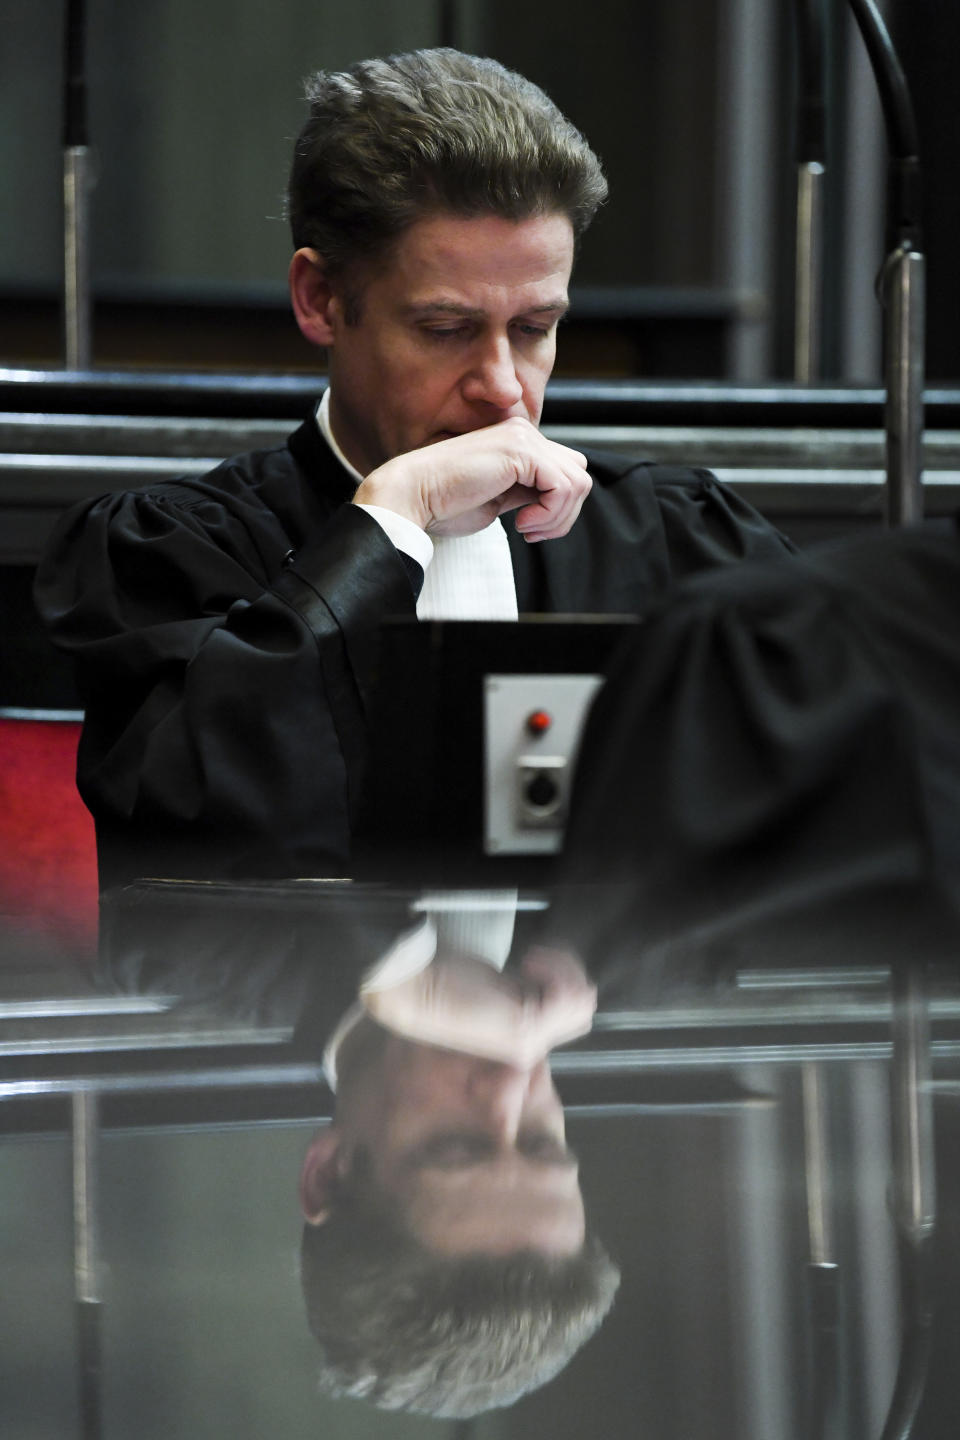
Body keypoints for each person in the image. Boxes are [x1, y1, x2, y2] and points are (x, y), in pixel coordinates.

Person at [34, 48, 794, 891]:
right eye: (445, 329)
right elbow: (214, 836)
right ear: (321, 298)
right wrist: (395, 515)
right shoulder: (170, 555)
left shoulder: (674, 540)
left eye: (537, 327)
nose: (504, 387)